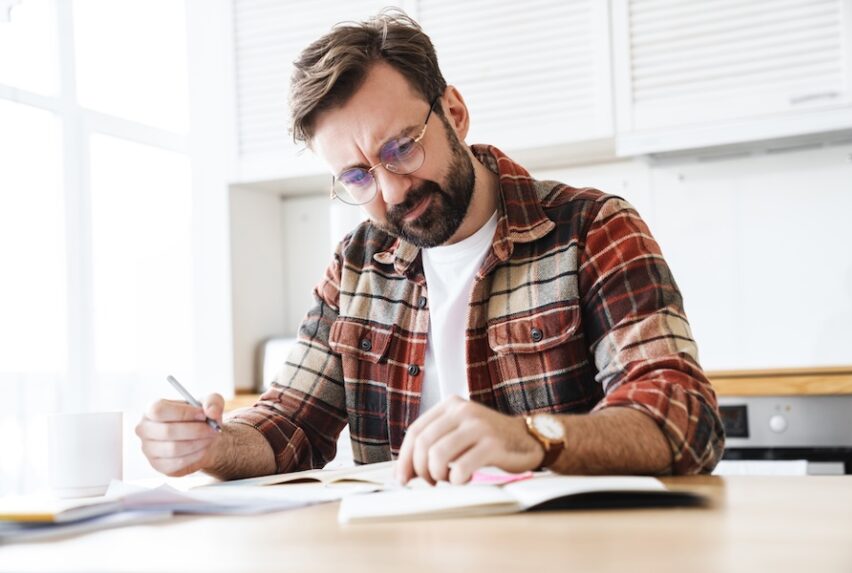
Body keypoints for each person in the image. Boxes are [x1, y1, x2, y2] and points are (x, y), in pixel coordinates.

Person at [136, 10, 724, 485]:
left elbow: (683, 416)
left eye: (399, 148)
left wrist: (532, 440)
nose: (391, 190)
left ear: (455, 113)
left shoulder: (591, 227)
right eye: (359, 176)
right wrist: (209, 444)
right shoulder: (356, 265)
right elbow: (288, 425)